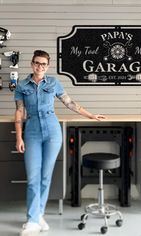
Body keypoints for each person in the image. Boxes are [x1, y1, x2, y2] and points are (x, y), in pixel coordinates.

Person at [14, 50, 106, 236]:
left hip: (53, 131)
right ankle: (32, 220)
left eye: (44, 64)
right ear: (32, 64)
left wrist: (91, 115)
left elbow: (70, 103)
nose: (40, 66)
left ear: (47, 66)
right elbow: (19, 112)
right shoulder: (22, 85)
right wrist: (19, 137)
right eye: (37, 63)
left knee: (46, 177)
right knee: (33, 178)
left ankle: (37, 215)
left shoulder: (53, 83)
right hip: (32, 130)